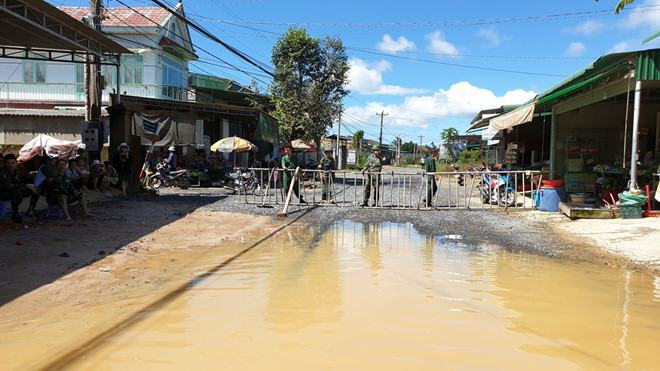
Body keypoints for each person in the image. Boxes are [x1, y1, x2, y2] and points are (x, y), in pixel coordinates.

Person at [0, 154, 36, 223]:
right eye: (8, 163)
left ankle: (31, 209)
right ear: (5, 164)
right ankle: (15, 212)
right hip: (3, 193)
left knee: (35, 190)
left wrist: (30, 183)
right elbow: (9, 185)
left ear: (16, 163)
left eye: (13, 163)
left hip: (11, 191)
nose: (11, 165)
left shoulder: (15, 171)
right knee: (17, 192)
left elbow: (18, 181)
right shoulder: (3, 172)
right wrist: (26, 185)